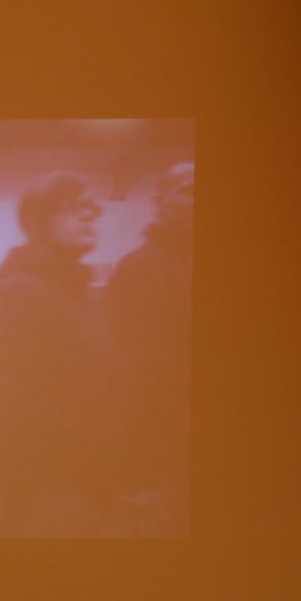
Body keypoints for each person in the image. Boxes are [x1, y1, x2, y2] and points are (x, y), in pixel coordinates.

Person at [0, 173, 115, 538]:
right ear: (38, 221)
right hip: (47, 495)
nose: (88, 215)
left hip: (74, 487)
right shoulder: (22, 294)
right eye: (71, 207)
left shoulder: (68, 291)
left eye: (91, 208)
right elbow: (11, 407)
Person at [105, 161, 194, 537]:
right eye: (187, 191)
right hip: (164, 460)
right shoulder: (138, 271)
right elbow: (127, 375)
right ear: (160, 201)